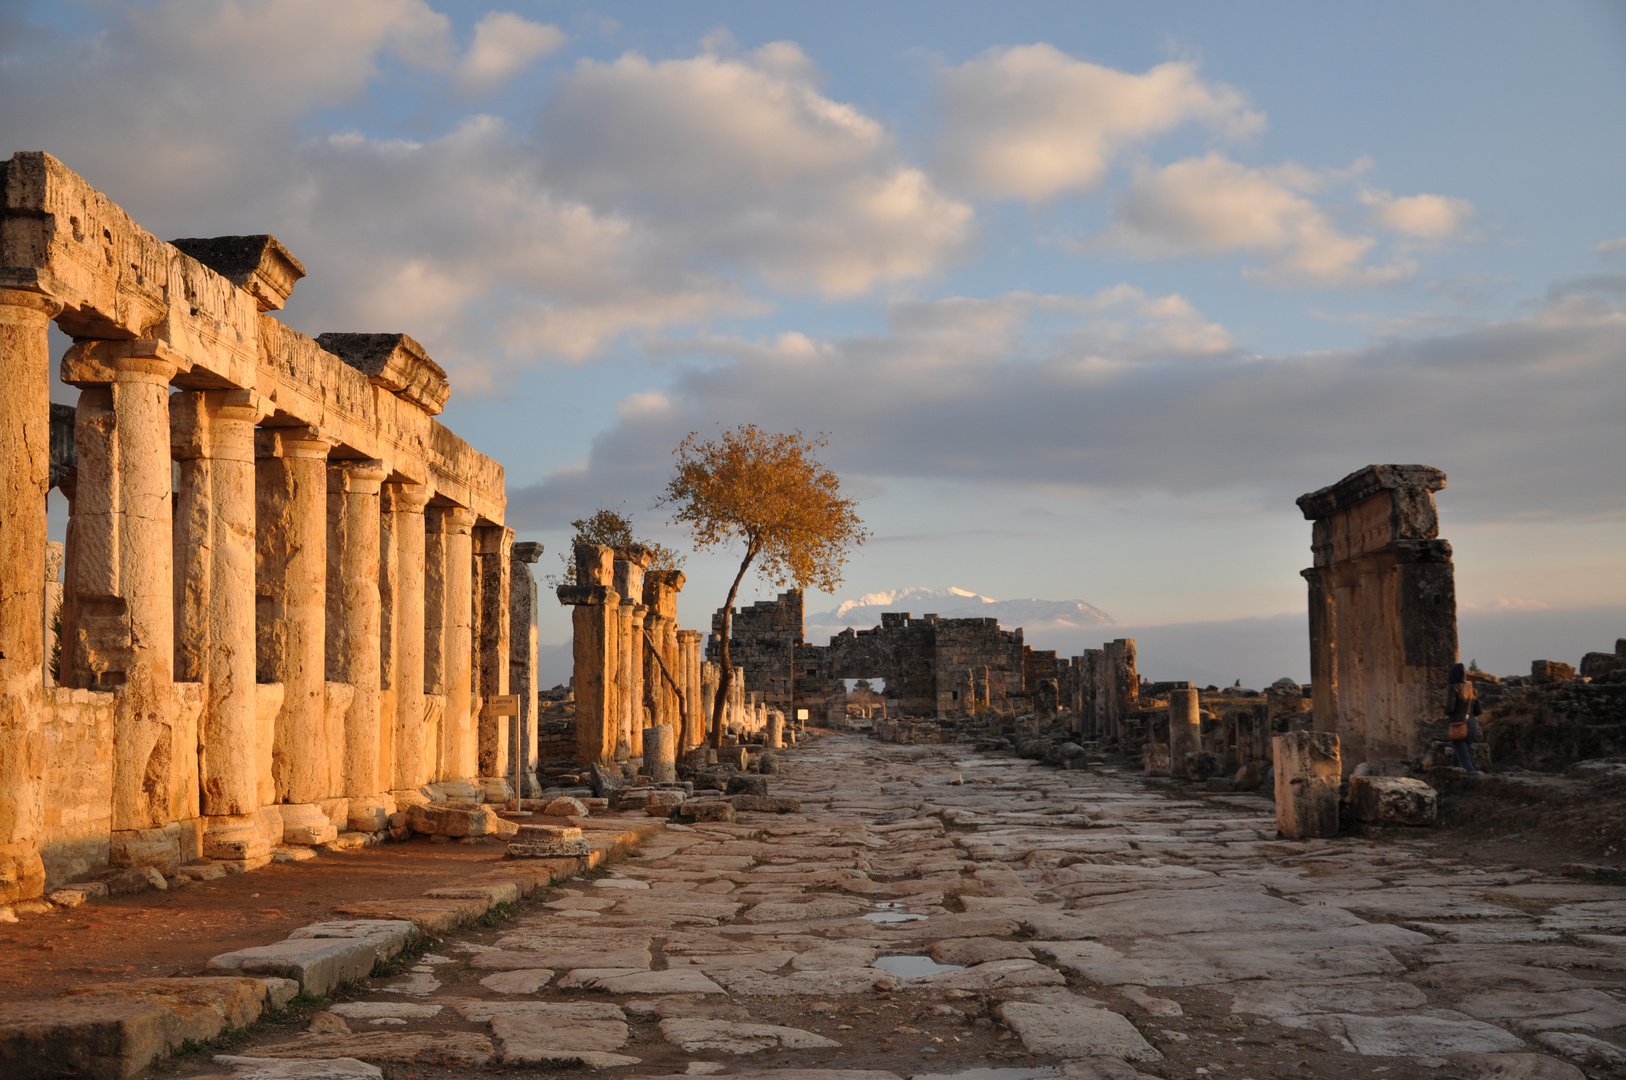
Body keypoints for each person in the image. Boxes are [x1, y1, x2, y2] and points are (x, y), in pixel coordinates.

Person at [1445, 662, 1481, 772]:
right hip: (1472, 728)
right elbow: (1478, 711)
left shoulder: (1454, 688)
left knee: (1466, 763)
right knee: (1455, 761)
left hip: (1459, 729)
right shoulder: (1472, 689)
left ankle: (1476, 782)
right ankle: (1455, 785)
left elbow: (1449, 709)